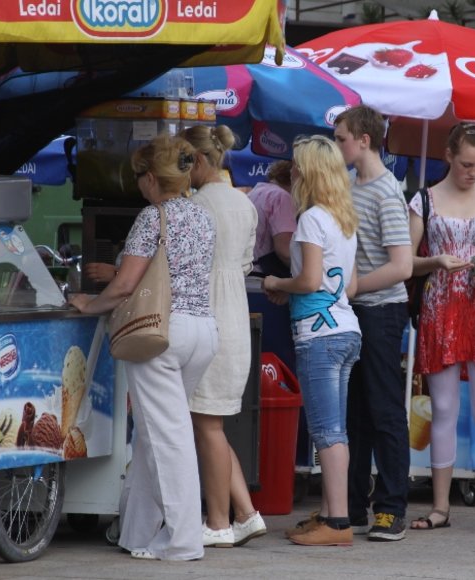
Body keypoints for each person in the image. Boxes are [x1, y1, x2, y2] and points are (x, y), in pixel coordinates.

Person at [68, 135, 218, 561]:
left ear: (151, 178)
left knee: (167, 440)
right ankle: (137, 534)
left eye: (138, 177)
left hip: (160, 334)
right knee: (155, 438)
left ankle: (183, 539)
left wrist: (88, 304)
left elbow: (124, 285)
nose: (137, 185)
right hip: (203, 331)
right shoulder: (203, 216)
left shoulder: (153, 218)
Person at [406, 122, 475, 532]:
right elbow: (407, 262)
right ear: (449, 156)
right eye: (467, 164)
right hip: (440, 308)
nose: (473, 172)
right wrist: (435, 261)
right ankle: (440, 506)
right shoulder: (424, 201)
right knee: (445, 409)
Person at [262, 135, 361, 546]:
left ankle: (337, 523)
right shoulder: (343, 221)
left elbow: (308, 279)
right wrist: (301, 289)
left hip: (318, 336)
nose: (293, 172)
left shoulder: (311, 219)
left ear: (308, 173)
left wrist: (276, 281)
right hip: (346, 329)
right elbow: (348, 287)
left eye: (297, 166)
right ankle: (332, 515)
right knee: (336, 429)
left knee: (326, 430)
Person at [179, 124, 265, 548]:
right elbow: (246, 264)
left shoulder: (195, 206)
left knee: (207, 426)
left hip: (206, 314)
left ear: (195, 160)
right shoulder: (245, 204)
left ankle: (217, 522)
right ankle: (246, 513)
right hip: (235, 318)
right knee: (212, 423)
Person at [333, 105, 413, 542]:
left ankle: (391, 507)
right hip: (358, 307)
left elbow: (402, 266)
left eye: (342, 137)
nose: (338, 144)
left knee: (383, 410)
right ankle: (353, 506)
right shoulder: (347, 184)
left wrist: (354, 288)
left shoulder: (386, 192)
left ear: (364, 140)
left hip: (381, 311)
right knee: (355, 413)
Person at [249, 159, 297, 278]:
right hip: (265, 276)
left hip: (248, 272)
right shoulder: (282, 197)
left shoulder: (254, 192)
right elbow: (285, 251)